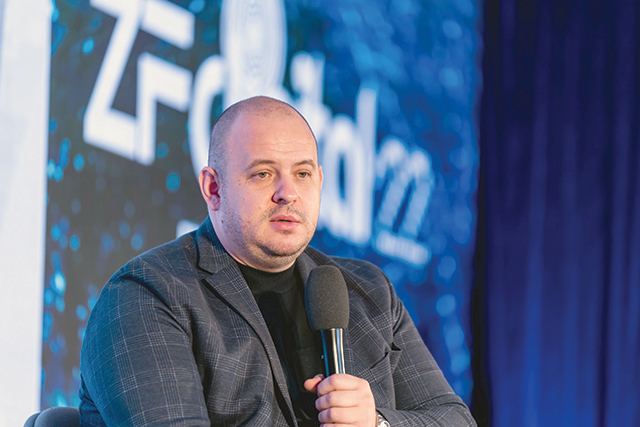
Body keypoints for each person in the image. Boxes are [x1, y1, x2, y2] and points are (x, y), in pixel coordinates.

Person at [79, 96, 476, 426]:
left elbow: (454, 419)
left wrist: (377, 423)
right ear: (213, 188)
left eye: (302, 174)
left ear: (320, 181)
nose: (288, 193)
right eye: (264, 174)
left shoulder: (367, 291)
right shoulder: (146, 296)